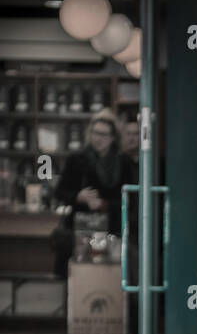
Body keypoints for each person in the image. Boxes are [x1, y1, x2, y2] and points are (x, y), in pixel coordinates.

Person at [52, 108, 138, 279]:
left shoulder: (124, 163)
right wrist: (79, 196)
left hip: (112, 231)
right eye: (95, 133)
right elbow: (60, 192)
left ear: (113, 138)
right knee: (79, 279)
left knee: (107, 278)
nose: (98, 138)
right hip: (80, 231)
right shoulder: (77, 160)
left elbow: (132, 199)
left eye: (104, 134)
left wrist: (105, 204)